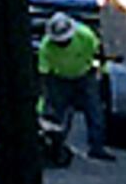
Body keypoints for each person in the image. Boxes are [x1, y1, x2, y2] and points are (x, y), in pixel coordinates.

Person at [35, 9, 112, 163]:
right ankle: (55, 145)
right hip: (59, 79)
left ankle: (97, 146)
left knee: (94, 110)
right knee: (56, 113)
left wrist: (101, 73)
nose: (62, 44)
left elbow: (98, 54)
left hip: (85, 75)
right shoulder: (46, 47)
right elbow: (44, 75)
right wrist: (44, 98)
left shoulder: (86, 36)